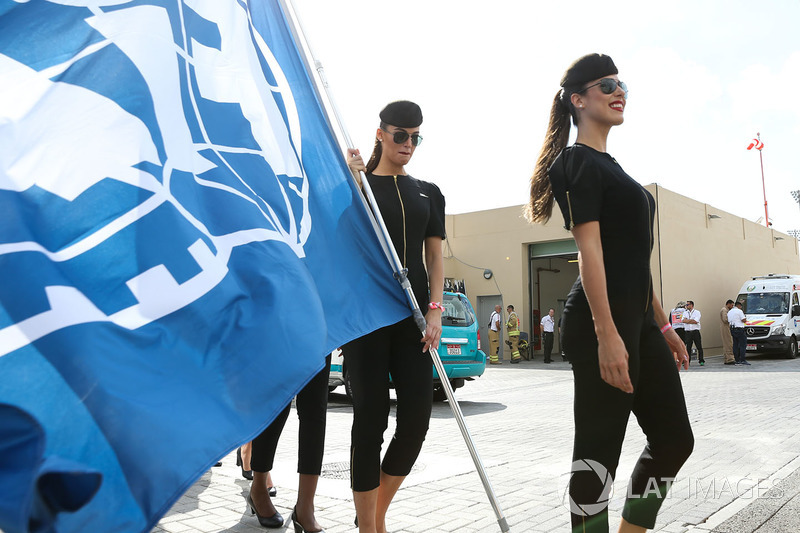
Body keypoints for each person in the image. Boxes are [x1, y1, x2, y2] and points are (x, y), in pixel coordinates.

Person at [525, 53, 693, 533]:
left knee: (674, 440)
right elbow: (590, 255)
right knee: (597, 457)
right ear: (578, 100)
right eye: (607, 85)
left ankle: (632, 528)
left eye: (622, 84)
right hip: (602, 325)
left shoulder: (613, 168)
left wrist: (663, 325)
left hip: (638, 322)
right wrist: (607, 334)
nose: (620, 91)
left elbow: (634, 263)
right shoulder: (575, 163)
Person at [345, 100, 445, 533]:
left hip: (415, 323)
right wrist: (350, 182)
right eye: (400, 135)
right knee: (370, 419)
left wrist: (436, 309)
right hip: (368, 317)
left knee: (417, 420)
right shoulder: (358, 187)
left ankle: (374, 513)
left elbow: (435, 257)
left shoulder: (429, 191)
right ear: (381, 134)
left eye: (415, 136)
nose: (408, 144)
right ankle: (369, 526)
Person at [246, 353, 331, 532]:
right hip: (279, 326)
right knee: (276, 402)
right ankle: (259, 488)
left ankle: (305, 506)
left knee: (315, 409)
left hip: (324, 329)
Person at [682, 300, 704, 366]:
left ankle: (701, 360)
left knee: (699, 346)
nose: (686, 306)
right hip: (688, 332)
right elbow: (683, 320)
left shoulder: (697, 312)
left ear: (691, 305)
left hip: (695, 331)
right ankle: (687, 361)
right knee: (688, 347)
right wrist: (691, 320)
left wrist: (687, 321)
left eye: (688, 305)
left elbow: (696, 321)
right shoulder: (685, 312)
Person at [728, 301, 749, 365]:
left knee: (735, 345)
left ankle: (736, 360)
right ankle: (742, 360)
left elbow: (729, 320)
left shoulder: (729, 312)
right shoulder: (739, 311)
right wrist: (745, 318)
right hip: (739, 329)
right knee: (742, 345)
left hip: (732, 329)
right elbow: (743, 320)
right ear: (739, 306)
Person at [720, 300, 735, 365]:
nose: (732, 307)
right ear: (728, 304)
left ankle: (727, 359)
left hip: (725, 328)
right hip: (725, 328)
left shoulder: (725, 310)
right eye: (732, 305)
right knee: (729, 343)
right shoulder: (724, 310)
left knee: (727, 344)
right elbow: (725, 319)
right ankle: (730, 359)